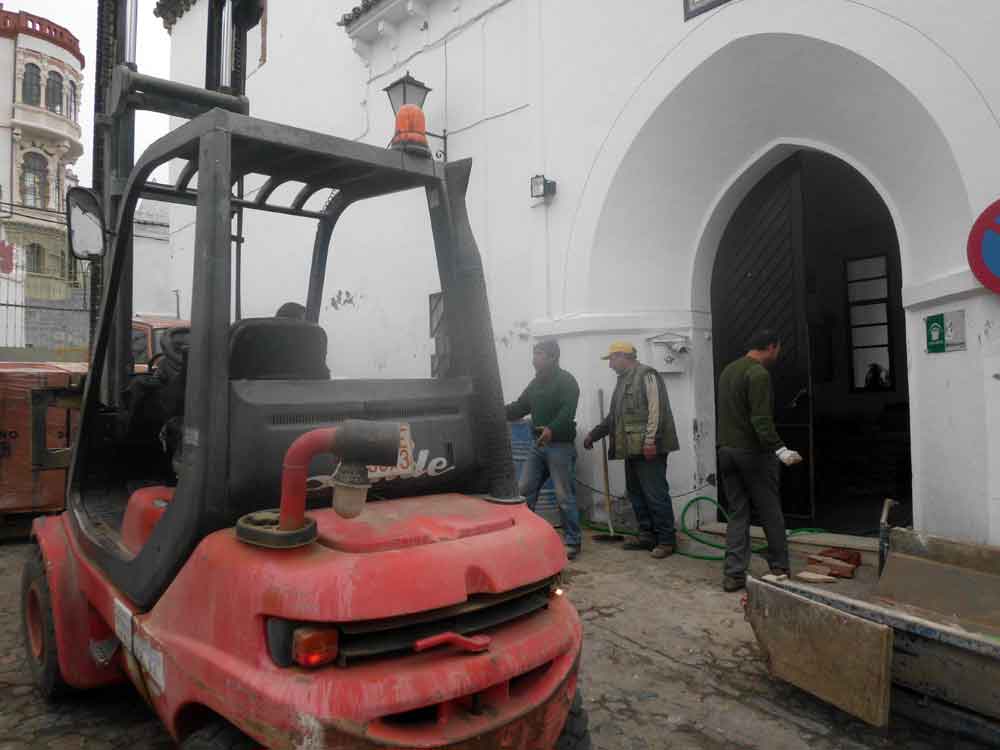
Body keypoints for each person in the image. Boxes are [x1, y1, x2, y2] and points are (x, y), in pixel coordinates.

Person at [716, 329, 803, 592]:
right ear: (772, 347)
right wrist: (781, 450)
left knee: (737, 513)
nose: (779, 353)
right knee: (770, 511)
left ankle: (733, 574)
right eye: (779, 349)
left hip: (726, 453)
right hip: (752, 454)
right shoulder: (758, 374)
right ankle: (779, 568)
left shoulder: (728, 371)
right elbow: (761, 421)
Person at [584, 341, 679, 559]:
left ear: (622, 355)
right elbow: (614, 418)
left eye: (611, 360)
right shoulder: (622, 381)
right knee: (636, 494)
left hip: (648, 448)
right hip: (632, 449)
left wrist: (650, 441)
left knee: (655, 495)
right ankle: (646, 535)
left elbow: (657, 409)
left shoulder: (647, 375)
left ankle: (666, 540)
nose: (610, 365)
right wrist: (595, 434)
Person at [506, 339, 583, 559]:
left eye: (539, 353)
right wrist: (496, 412)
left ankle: (573, 542)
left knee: (563, 496)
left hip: (560, 447)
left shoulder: (567, 381)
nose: (534, 358)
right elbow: (520, 406)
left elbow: (567, 412)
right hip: (538, 446)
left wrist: (552, 429)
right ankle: (525, 537)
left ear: (552, 357)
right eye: (534, 353)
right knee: (523, 490)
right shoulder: (536, 383)